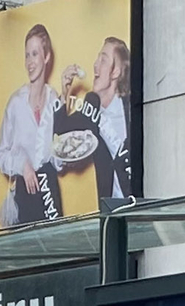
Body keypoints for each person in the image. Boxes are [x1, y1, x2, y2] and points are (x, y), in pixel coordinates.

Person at [0, 23, 65, 226]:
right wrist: (23, 166)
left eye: (35, 54)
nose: (30, 62)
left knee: (56, 250)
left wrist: (66, 97)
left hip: (49, 192)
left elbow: (59, 162)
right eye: (27, 55)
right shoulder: (16, 103)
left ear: (46, 56)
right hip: (24, 194)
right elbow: (0, 155)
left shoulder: (54, 100)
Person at [58, 36, 135, 204]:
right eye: (97, 58)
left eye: (103, 59)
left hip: (140, 203)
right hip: (112, 213)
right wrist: (64, 92)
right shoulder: (90, 109)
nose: (95, 65)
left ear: (116, 72)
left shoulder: (133, 108)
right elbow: (61, 129)